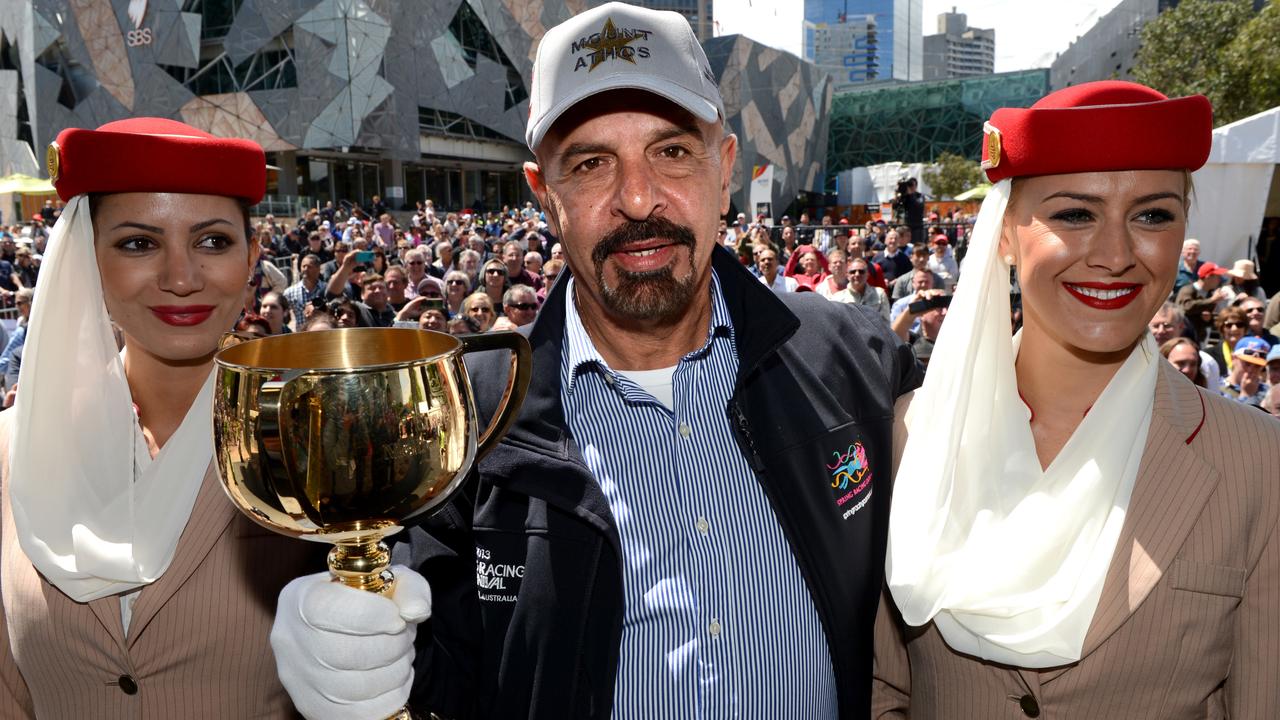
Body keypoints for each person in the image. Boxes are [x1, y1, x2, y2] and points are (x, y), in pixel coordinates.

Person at [269, 4, 920, 718]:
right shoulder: (457, 420)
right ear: (544, 195)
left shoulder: (857, 361)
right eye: (590, 164)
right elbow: (447, 671)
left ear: (725, 167)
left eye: (672, 151)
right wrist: (361, 655)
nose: (638, 198)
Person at [877, 81, 1280, 718]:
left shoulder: (1259, 463)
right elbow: (884, 688)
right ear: (1004, 233)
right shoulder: (911, 434)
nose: (1117, 255)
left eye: (1153, 215)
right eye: (1074, 214)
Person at [0, 118, 317, 715]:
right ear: (85, 259)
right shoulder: (10, 450)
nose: (181, 278)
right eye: (138, 243)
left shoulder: (313, 440)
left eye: (213, 241)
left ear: (252, 257)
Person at [831, 257, 891, 322]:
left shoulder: (880, 294)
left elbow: (886, 323)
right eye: (853, 272)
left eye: (861, 271)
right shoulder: (837, 299)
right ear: (847, 275)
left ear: (867, 275)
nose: (857, 274)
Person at [1221, 336, 1271, 407]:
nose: (1251, 370)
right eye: (1247, 363)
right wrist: (1246, 395)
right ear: (1233, 359)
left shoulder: (1267, 391)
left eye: (1257, 365)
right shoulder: (1216, 386)